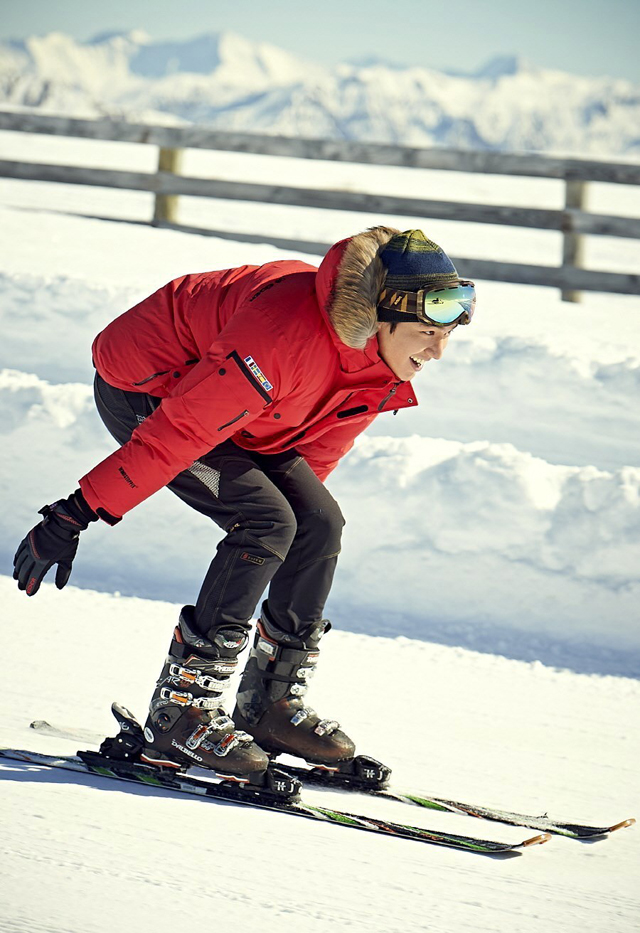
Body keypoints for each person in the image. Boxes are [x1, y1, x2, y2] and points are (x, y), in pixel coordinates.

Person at [13, 226, 475, 780]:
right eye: (427, 332)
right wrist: (74, 513)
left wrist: (297, 528)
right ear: (380, 318)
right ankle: (181, 710)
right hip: (151, 387)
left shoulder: (377, 360)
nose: (438, 351)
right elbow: (179, 431)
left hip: (244, 407)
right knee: (264, 522)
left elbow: (317, 448)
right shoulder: (283, 336)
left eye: (446, 335)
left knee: (318, 524)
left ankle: (269, 706)